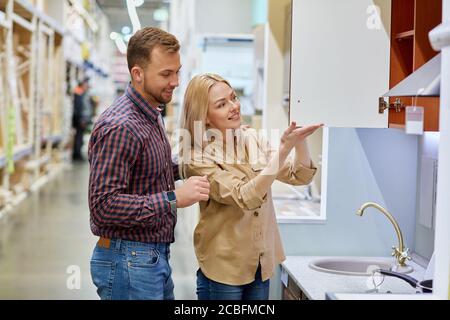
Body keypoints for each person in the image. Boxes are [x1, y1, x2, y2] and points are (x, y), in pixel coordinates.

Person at [88, 27, 210, 300]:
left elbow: (149, 171)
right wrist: (173, 199)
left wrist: (189, 164)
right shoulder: (120, 126)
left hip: (149, 257)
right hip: (128, 260)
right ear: (137, 74)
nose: (176, 81)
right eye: (166, 74)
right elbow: (103, 206)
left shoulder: (151, 112)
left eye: (177, 71)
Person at [180, 73, 323, 300]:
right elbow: (244, 196)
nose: (234, 106)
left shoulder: (252, 138)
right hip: (224, 268)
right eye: (222, 104)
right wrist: (284, 149)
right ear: (205, 117)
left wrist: (300, 140)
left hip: (259, 262)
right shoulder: (198, 157)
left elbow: (299, 176)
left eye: (233, 98)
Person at [72, 79, 90, 161]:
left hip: (81, 120)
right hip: (80, 121)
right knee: (78, 137)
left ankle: (77, 153)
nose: (87, 87)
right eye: (85, 85)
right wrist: (81, 120)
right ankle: (77, 154)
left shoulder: (82, 94)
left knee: (79, 137)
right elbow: (79, 108)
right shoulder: (79, 94)